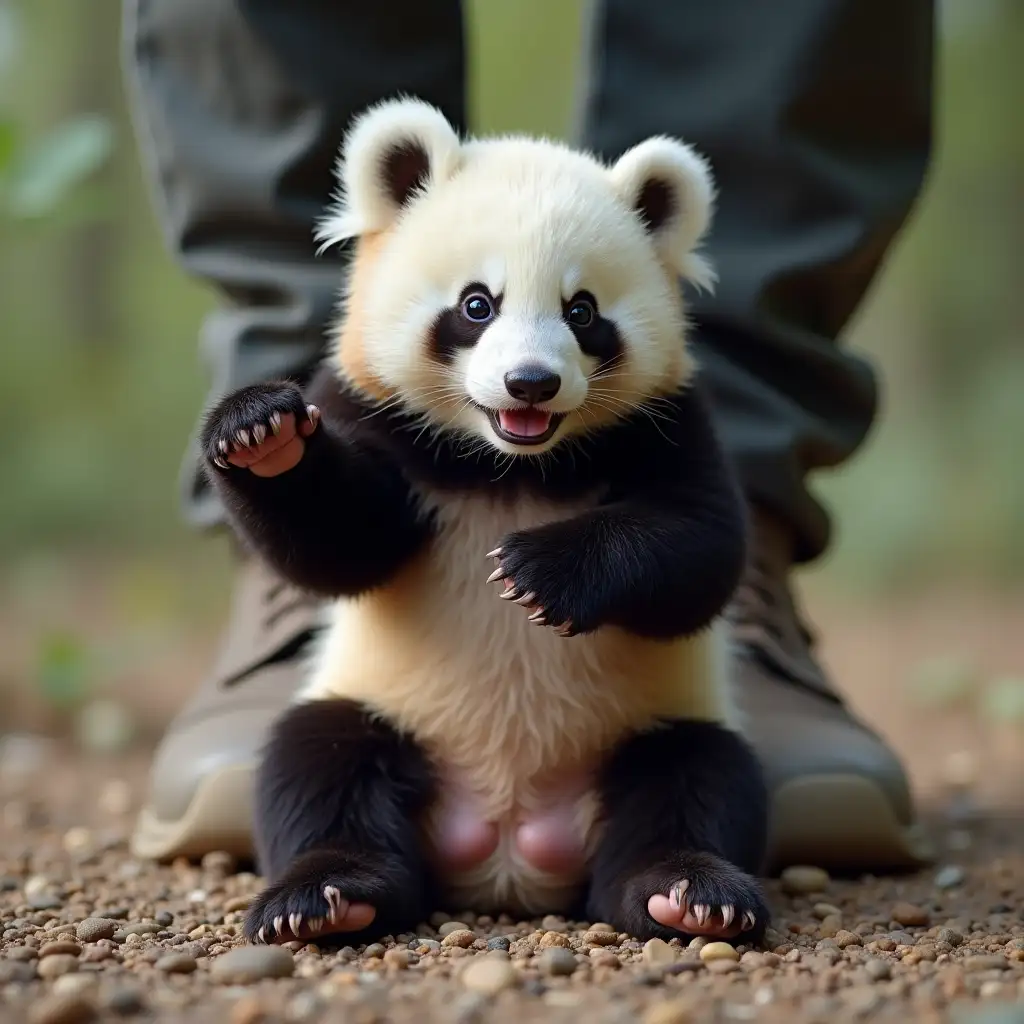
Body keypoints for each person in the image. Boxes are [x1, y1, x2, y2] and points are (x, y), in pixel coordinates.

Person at [122, 0, 936, 871]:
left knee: (708, 767)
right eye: (479, 308)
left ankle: (667, 875)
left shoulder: (657, 425)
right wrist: (276, 470)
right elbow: (346, 547)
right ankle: (343, 870)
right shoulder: (366, 403)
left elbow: (697, 552)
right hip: (407, 748)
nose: (534, 361)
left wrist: (602, 556)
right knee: (311, 752)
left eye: (581, 315)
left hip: (612, 770)